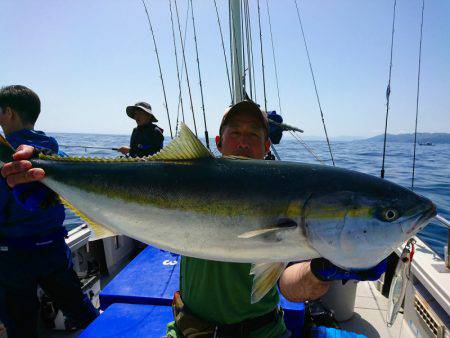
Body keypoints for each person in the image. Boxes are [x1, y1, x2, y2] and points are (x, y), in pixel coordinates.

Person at [1, 99, 386, 338]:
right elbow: (122, 207)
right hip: (188, 332)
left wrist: (325, 271)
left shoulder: (291, 197)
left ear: (267, 146)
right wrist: (48, 187)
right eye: (234, 132)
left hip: (264, 333)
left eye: (255, 134)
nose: (244, 139)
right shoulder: (194, 178)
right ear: (217, 144)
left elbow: (288, 287)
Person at [0, 85, 99, 337]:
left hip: (13, 256)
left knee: (20, 325)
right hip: (53, 250)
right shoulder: (56, 152)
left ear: (8, 112)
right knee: (82, 311)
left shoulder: (7, 154)